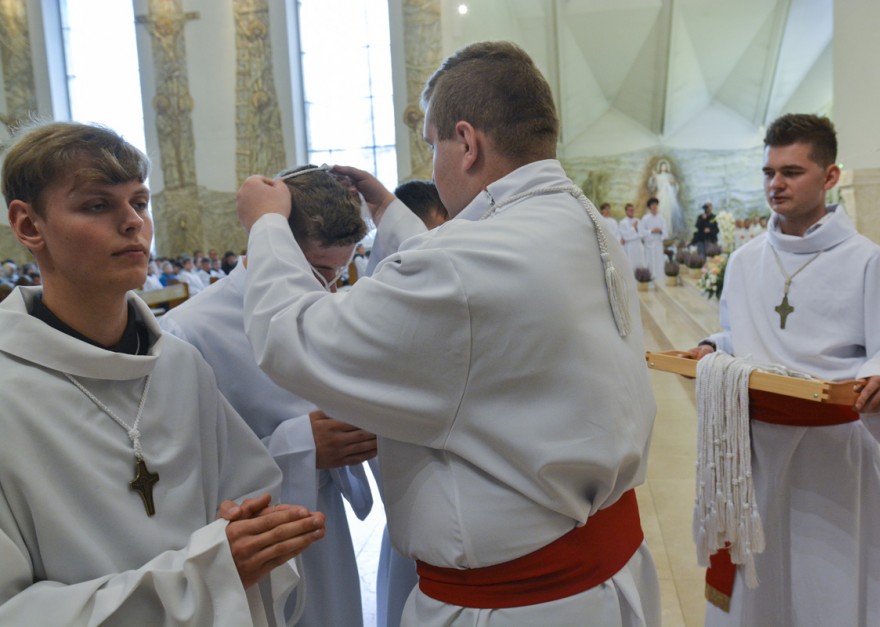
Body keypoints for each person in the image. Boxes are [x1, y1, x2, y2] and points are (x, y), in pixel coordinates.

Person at [236, 40, 659, 626]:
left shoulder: (470, 262)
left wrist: (266, 227)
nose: (431, 166)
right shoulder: (578, 218)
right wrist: (388, 212)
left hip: (515, 605)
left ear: (468, 143)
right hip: (603, 575)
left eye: (433, 145)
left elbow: (295, 337)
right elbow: (470, 302)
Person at [0, 120, 324, 624]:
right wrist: (206, 575)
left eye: (139, 202)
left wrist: (255, 529)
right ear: (28, 226)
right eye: (96, 205)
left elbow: (251, 493)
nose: (133, 222)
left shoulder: (179, 364)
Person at [685, 113, 880, 627]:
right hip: (754, 452)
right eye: (769, 172)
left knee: (828, 583)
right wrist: (713, 347)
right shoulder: (745, 261)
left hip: (832, 458)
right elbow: (746, 338)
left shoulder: (863, 260)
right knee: (761, 581)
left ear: (829, 177)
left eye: (792, 172)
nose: (775, 184)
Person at [161, 164, 377, 627]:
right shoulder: (189, 330)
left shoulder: (327, 307)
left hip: (321, 517)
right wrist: (300, 445)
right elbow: (183, 471)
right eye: (319, 270)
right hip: (249, 538)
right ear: (271, 244)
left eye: (342, 272)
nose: (330, 287)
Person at [647, 159, 685, 241]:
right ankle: (659, 231)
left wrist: (671, 186)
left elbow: (675, 186)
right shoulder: (657, 176)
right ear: (660, 167)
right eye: (662, 166)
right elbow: (652, 186)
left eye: (665, 166)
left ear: (667, 167)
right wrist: (653, 178)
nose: (663, 167)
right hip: (660, 196)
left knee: (668, 213)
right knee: (660, 212)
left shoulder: (669, 176)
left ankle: (668, 231)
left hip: (668, 196)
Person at [640, 197, 667, 282]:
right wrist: (651, 230)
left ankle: (660, 280)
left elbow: (665, 232)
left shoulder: (661, 218)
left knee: (659, 262)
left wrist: (660, 231)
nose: (654, 206)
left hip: (658, 244)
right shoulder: (645, 218)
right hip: (649, 245)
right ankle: (650, 280)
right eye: (652, 205)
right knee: (649, 262)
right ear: (649, 207)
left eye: (656, 205)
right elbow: (641, 232)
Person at [619, 203, 645, 270]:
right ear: (626, 211)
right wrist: (633, 228)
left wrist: (633, 232)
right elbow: (625, 237)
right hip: (629, 247)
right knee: (631, 265)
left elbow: (642, 234)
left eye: (633, 210)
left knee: (640, 264)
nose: (632, 212)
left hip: (639, 246)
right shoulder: (622, 222)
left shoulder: (638, 221)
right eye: (630, 210)